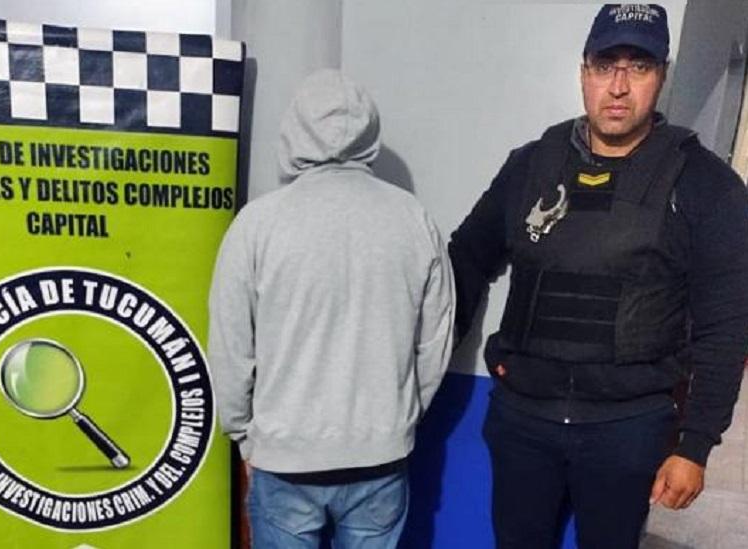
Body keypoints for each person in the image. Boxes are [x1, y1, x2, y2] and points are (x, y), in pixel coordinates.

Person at [448, 4, 748, 549]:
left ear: (661, 75)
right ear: (584, 71)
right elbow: (465, 261)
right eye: (606, 65)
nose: (619, 86)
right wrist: (421, 367)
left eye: (639, 67)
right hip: (523, 421)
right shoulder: (531, 165)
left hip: (627, 430)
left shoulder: (706, 185)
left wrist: (695, 444)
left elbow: (725, 328)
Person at [208, 69, 455, 548]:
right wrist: (397, 418)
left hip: (283, 456)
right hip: (380, 454)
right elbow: (435, 342)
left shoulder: (257, 224)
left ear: (292, 131)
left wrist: (243, 435)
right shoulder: (413, 219)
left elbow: (230, 344)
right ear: (370, 131)